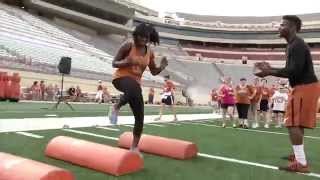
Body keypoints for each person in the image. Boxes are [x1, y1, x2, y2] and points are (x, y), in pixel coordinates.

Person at [255, 15, 320, 173]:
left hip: (304, 86)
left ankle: (302, 163)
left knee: (292, 123)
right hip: (306, 86)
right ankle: (299, 156)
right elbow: (290, 70)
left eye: (282, 25)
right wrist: (271, 69)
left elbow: (293, 71)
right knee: (297, 123)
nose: (279, 27)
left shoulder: (296, 44)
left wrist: (269, 71)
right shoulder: (293, 44)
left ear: (291, 27)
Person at [109, 23, 168, 155]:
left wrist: (162, 67)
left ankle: (134, 147)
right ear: (136, 35)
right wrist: (126, 62)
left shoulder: (150, 53)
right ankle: (116, 106)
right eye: (142, 36)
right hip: (121, 79)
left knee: (140, 116)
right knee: (133, 87)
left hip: (135, 86)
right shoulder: (128, 45)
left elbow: (153, 72)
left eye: (147, 37)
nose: (144, 39)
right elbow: (114, 63)